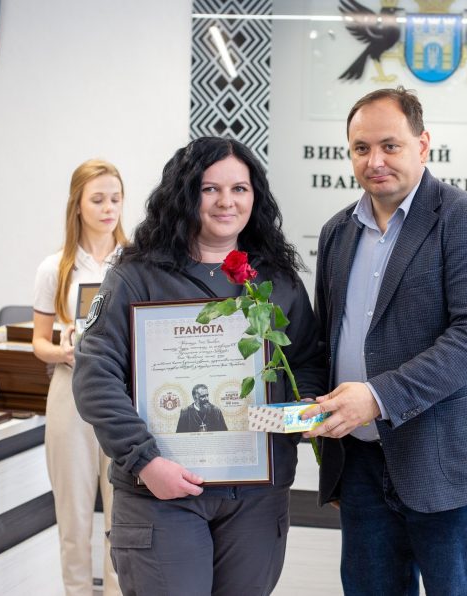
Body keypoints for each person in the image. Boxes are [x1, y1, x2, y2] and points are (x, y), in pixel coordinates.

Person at [72, 137, 326, 596]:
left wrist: (300, 409)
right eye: (210, 189)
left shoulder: (277, 280)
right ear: (184, 194)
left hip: (255, 494)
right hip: (159, 493)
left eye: (239, 189)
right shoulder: (135, 277)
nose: (227, 201)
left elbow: (306, 360)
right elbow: (94, 377)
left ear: (256, 197)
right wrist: (145, 461)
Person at [302, 87, 467, 596]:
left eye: (390, 145)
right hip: (360, 464)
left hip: (447, 465)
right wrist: (307, 402)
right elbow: (327, 338)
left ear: (422, 145)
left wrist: (376, 397)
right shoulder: (337, 232)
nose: (374, 161)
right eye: (361, 148)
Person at [32, 159, 126, 596]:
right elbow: (39, 343)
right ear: (77, 205)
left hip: (123, 395)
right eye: (98, 199)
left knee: (123, 517)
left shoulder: (136, 262)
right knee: (72, 517)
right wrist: (64, 352)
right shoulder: (56, 268)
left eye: (116, 199)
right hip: (69, 395)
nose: (109, 208)